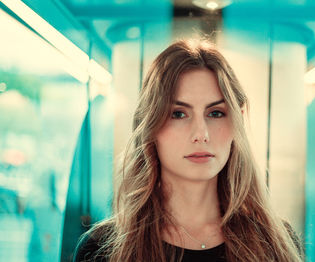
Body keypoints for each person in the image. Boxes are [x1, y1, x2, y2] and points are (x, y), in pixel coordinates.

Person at [73, 39, 303, 262]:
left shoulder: (277, 243)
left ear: (238, 122)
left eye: (215, 113)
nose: (201, 134)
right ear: (150, 125)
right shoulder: (101, 249)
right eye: (178, 114)